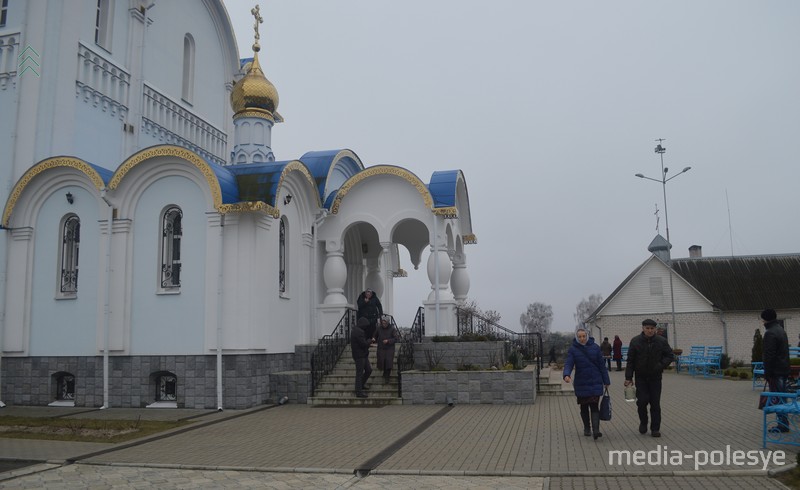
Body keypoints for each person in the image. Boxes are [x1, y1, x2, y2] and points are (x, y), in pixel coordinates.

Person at [624, 319, 675, 438]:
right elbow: (630, 360)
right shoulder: (635, 341)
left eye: (652, 328)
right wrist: (628, 377)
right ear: (643, 328)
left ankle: (655, 428)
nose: (650, 330)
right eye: (647, 328)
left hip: (655, 377)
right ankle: (643, 422)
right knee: (641, 402)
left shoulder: (661, 341)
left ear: (655, 329)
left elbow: (669, 356)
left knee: (655, 403)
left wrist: (660, 365)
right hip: (641, 377)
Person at [563, 328, 611, 440]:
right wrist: (566, 374)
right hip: (581, 382)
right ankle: (587, 427)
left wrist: (606, 381)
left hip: (595, 381)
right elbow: (569, 363)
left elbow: (602, 366)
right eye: (579, 336)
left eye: (583, 336)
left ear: (587, 336)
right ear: (576, 337)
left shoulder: (595, 348)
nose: (582, 338)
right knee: (584, 407)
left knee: (594, 406)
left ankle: (596, 430)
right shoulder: (573, 350)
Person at [762, 308, 790, 432]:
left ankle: (782, 424)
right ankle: (784, 422)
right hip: (783, 368)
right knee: (782, 396)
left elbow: (769, 355)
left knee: (778, 398)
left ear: (766, 318)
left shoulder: (770, 333)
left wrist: (767, 372)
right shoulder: (781, 330)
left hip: (776, 371)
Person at [351, 317, 373, 398]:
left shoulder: (356, 330)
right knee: (359, 373)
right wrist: (370, 340)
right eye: (365, 325)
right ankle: (359, 392)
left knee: (368, 370)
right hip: (360, 355)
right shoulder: (359, 332)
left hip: (362, 355)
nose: (366, 327)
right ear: (363, 325)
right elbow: (364, 344)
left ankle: (361, 385)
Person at [375, 315, 400, 383]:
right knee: (382, 361)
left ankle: (387, 377)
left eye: (385, 323)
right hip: (381, 348)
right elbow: (375, 335)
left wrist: (388, 341)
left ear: (388, 322)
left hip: (389, 348)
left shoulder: (392, 329)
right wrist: (373, 339)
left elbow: (396, 338)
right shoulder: (379, 328)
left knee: (388, 362)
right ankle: (384, 373)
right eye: (383, 323)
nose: (384, 324)